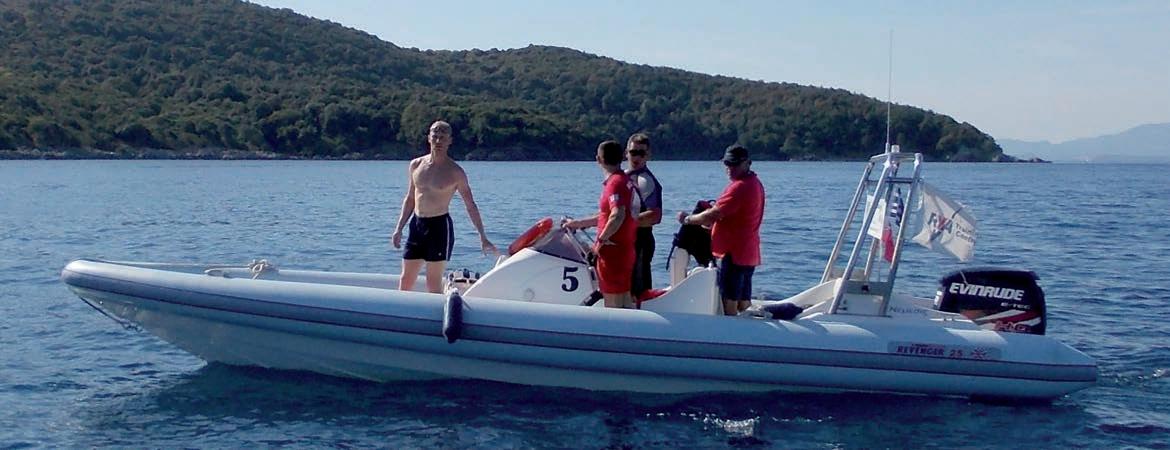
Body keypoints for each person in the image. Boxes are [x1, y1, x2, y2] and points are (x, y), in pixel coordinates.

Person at [392, 120, 497, 293]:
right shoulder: (416, 165)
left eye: (443, 137)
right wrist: (399, 228)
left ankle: (436, 309)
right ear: (429, 138)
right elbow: (410, 198)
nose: (438, 141)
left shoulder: (455, 172)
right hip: (417, 225)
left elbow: (470, 205)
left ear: (450, 141)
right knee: (406, 279)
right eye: (435, 136)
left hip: (439, 228)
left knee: (432, 283)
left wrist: (482, 236)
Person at [677, 145, 765, 316]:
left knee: (729, 299)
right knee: (743, 299)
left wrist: (688, 219)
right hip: (748, 251)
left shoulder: (740, 187)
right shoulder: (754, 183)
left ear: (748, 163)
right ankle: (747, 325)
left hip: (734, 253)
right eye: (727, 163)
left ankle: (730, 328)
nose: (730, 168)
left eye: (735, 164)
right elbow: (731, 215)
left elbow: (712, 215)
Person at [563, 140, 638, 309]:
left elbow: (617, 215)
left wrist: (600, 241)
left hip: (612, 251)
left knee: (613, 301)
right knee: (624, 298)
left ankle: (613, 326)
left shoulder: (615, 184)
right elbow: (608, 215)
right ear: (622, 157)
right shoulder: (625, 181)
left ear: (598, 159)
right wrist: (578, 223)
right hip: (624, 249)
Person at [625, 133, 663, 299]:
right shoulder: (623, 177)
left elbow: (655, 216)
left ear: (648, 155)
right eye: (634, 152)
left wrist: (625, 222)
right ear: (626, 153)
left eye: (641, 153)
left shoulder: (646, 181)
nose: (637, 157)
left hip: (640, 241)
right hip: (625, 240)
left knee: (638, 291)